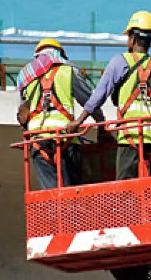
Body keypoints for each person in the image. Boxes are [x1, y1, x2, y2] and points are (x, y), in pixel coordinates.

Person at [66, 10, 151, 180]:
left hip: (130, 137)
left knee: (126, 187)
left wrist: (79, 121)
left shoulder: (120, 62)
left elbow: (99, 95)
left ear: (132, 38)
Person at [17, 38, 104, 190]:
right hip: (65, 138)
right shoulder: (68, 71)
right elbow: (90, 102)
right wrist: (102, 124)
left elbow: (22, 116)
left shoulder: (27, 77)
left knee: (50, 193)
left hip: (38, 141)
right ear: (60, 55)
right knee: (71, 192)